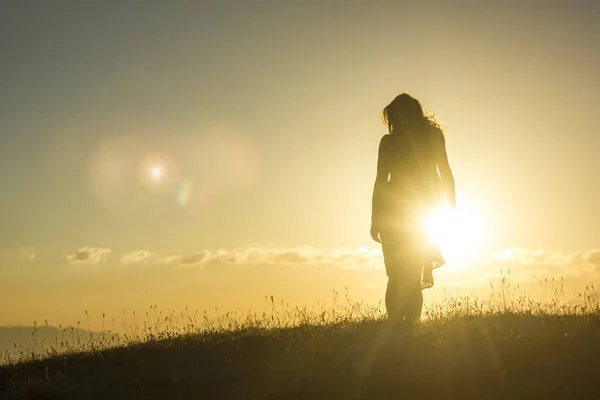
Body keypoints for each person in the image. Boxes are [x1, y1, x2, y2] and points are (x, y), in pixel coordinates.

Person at [370, 93, 456, 322]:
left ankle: (402, 327)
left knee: (400, 273)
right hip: (413, 212)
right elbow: (444, 173)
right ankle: (404, 326)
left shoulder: (396, 142)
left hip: (411, 213)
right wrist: (451, 206)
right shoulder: (428, 137)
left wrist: (375, 219)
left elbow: (381, 182)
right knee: (406, 272)